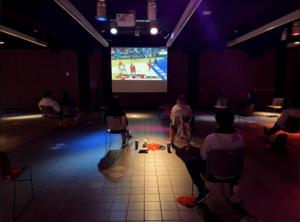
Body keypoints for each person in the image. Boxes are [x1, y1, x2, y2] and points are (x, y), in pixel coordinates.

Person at [186, 108, 244, 203]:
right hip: (235, 174)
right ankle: (233, 185)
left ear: (217, 121)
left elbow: (204, 158)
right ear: (232, 122)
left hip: (214, 175)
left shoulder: (211, 139)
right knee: (230, 160)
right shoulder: (240, 139)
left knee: (190, 162)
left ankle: (202, 190)